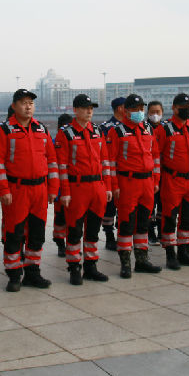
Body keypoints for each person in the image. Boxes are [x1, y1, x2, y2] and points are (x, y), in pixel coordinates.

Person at [0, 89, 59, 291]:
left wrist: (53, 188)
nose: (28, 106)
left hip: (39, 189)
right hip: (17, 190)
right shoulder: (4, 129)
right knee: (14, 233)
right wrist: (3, 190)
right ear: (14, 106)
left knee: (37, 233)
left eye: (31, 102)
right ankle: (14, 274)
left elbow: (51, 160)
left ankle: (33, 272)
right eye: (23, 102)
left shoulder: (41, 128)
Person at [55, 94, 111, 284]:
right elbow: (62, 166)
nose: (89, 111)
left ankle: (91, 266)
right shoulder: (66, 133)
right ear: (75, 110)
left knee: (93, 230)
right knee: (74, 230)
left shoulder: (97, 131)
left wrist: (107, 187)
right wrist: (65, 192)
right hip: (77, 188)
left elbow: (105, 161)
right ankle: (74, 267)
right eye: (85, 108)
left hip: (97, 187)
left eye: (91, 108)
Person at [105, 94, 162, 277]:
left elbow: (155, 156)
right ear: (126, 111)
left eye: (141, 109)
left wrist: (156, 180)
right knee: (126, 223)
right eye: (135, 109)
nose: (139, 112)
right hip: (127, 183)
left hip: (147, 183)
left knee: (144, 223)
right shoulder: (117, 132)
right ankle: (125, 263)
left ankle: (142, 260)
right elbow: (111, 162)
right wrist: (114, 186)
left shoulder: (148, 128)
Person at [155, 93, 189, 269]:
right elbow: (156, 156)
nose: (187, 110)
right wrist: (157, 180)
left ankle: (185, 251)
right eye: (183, 107)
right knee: (169, 218)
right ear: (174, 108)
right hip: (173, 179)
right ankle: (170, 254)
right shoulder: (165, 129)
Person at [98, 97, 126, 251]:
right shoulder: (106, 128)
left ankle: (123, 235)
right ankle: (109, 237)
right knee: (109, 207)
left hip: (126, 174)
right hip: (110, 172)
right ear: (120, 108)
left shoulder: (130, 127)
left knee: (124, 206)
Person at [52, 113, 74, 257]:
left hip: (69, 186)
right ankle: (61, 243)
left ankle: (66, 243)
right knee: (61, 217)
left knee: (68, 217)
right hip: (61, 187)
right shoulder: (54, 142)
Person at [146, 100, 164, 245]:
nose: (155, 115)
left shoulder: (166, 128)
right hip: (149, 174)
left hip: (165, 173)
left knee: (162, 205)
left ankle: (162, 232)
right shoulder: (144, 129)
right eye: (152, 112)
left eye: (158, 112)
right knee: (150, 205)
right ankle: (150, 233)